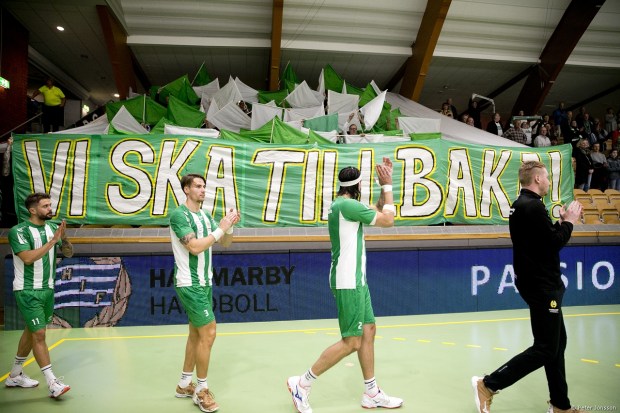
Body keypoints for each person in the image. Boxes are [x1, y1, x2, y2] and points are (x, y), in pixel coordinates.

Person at [287, 158, 403, 413]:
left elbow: (377, 209)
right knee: (352, 342)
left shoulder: (344, 204)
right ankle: (302, 383)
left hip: (356, 279)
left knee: (368, 330)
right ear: (358, 186)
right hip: (348, 280)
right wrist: (388, 185)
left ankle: (371, 392)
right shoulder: (347, 205)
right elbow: (388, 220)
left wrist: (382, 184)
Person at [472, 161, 583, 413]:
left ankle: (560, 405)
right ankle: (488, 384)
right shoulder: (532, 206)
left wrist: (560, 222)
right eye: (546, 177)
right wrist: (570, 222)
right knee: (546, 348)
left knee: (556, 344)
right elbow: (554, 244)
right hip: (542, 287)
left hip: (538, 283)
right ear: (537, 179)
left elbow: (541, 241)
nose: (548, 181)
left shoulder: (523, 204)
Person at [169, 174, 240, 413]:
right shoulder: (179, 215)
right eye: (198, 186)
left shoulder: (205, 216)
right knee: (209, 333)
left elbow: (225, 243)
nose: (202, 190)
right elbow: (194, 247)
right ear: (186, 189)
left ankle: (183, 384)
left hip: (205, 282)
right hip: (190, 283)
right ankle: (201, 390)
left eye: (204, 186)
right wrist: (221, 229)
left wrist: (229, 226)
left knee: (196, 335)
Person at [6, 193, 73, 398]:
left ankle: (15, 375)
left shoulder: (53, 228)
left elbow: (68, 253)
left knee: (32, 330)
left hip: (48, 289)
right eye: (45, 206)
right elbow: (27, 258)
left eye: (50, 205)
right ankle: (52, 383)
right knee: (40, 334)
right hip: (28, 290)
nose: (50, 209)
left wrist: (64, 238)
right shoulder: (19, 231)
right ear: (32, 210)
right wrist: (53, 241)